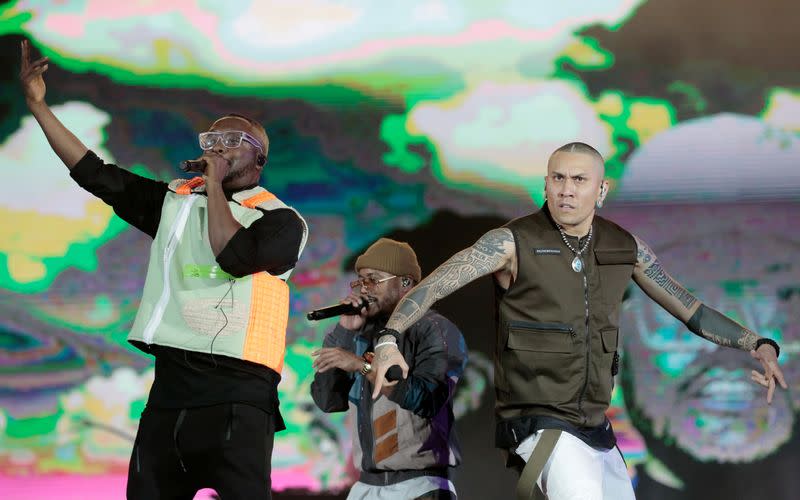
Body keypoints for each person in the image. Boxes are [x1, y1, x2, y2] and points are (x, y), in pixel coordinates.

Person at [368, 142, 787, 499]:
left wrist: (757, 344)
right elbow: (433, 287)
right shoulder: (511, 242)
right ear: (546, 184)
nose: (567, 190)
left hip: (595, 429)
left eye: (579, 180)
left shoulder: (626, 248)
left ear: (601, 190)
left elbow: (689, 309)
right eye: (558, 179)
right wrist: (389, 339)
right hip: (539, 420)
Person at [20, 40, 309, 499]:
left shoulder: (281, 221)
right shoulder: (174, 206)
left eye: (233, 141)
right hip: (171, 392)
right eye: (212, 140)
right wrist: (39, 107)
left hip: (238, 395)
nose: (219, 147)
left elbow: (232, 258)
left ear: (260, 158)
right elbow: (96, 174)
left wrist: (211, 184)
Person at [310, 238, 466, 499]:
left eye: (373, 279)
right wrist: (345, 332)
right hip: (367, 486)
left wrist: (362, 365)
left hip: (420, 486)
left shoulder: (435, 329)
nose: (364, 288)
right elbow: (328, 401)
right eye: (360, 280)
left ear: (405, 282)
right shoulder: (359, 334)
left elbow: (428, 399)